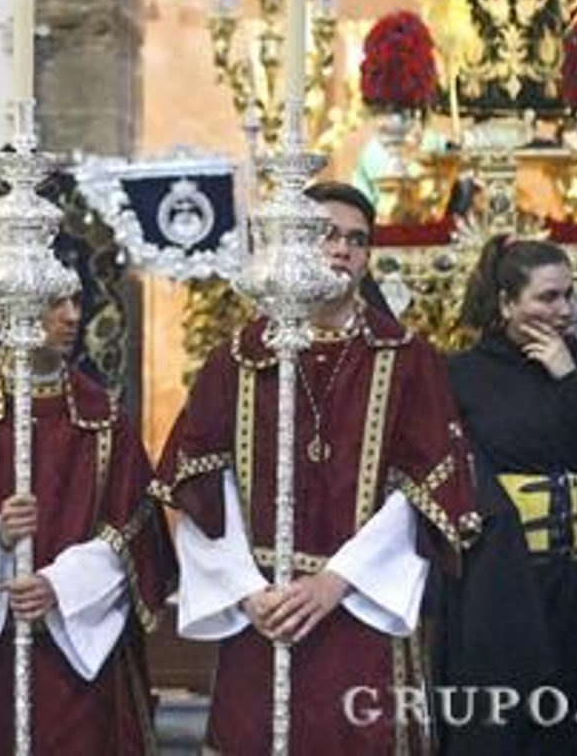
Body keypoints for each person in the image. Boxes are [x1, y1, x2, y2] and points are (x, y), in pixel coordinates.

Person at [154, 181, 477, 753]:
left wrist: (334, 582)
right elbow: (195, 487)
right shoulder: (241, 357)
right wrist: (247, 591)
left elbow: (428, 491)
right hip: (264, 613)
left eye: (357, 240)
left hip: (361, 612)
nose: (343, 250)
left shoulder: (406, 359)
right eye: (327, 234)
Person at [0, 292, 175, 754]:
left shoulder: (105, 421)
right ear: (14, 307)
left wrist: (61, 586)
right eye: (55, 303)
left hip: (81, 654)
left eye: (76, 301)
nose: (72, 316)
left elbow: (137, 531)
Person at [445, 235, 577, 752]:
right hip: (506, 585)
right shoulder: (461, 377)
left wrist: (569, 377)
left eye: (568, 296)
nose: (563, 310)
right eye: (547, 297)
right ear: (507, 303)